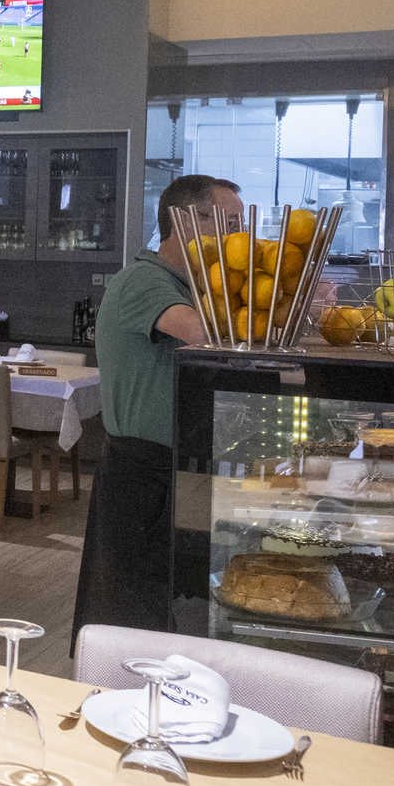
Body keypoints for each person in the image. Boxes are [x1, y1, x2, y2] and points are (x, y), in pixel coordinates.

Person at [72, 174, 241, 639]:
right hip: (142, 473)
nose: (238, 237)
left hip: (179, 468)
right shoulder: (143, 280)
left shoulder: (192, 287)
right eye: (229, 224)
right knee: (131, 611)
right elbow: (201, 333)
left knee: (179, 606)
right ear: (186, 222)